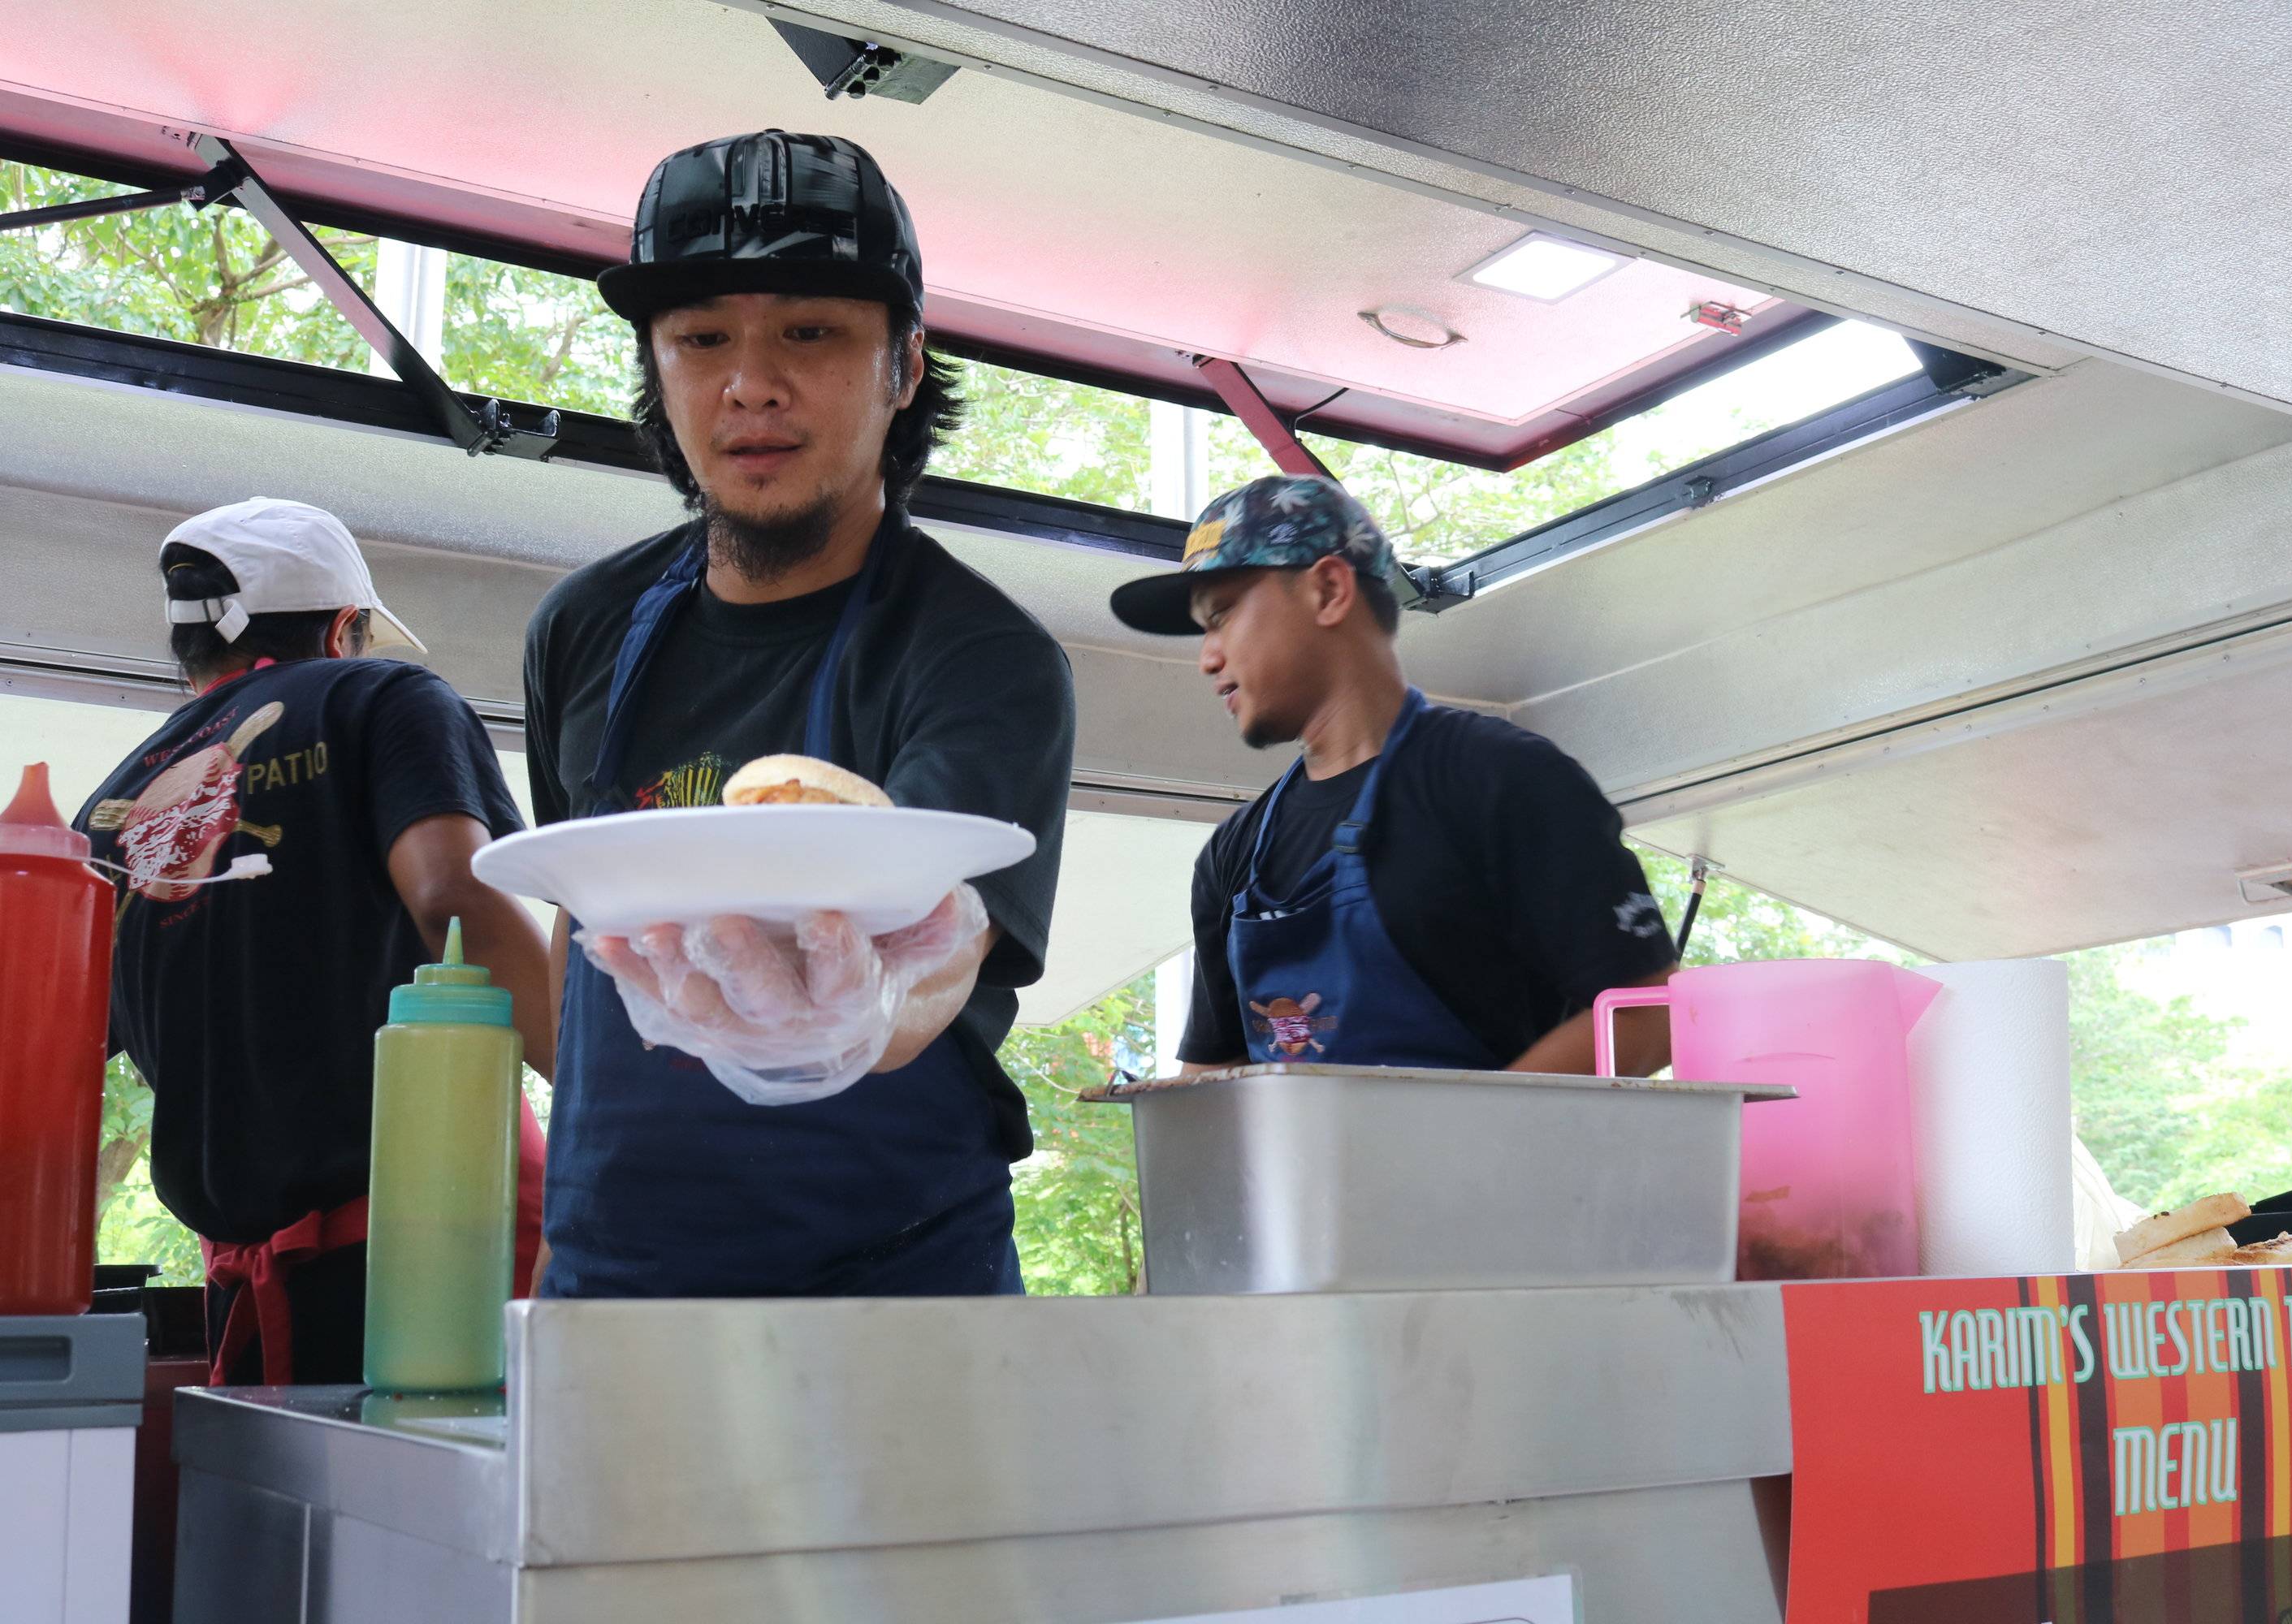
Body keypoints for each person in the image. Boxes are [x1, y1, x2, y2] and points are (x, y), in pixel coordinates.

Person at [523, 131, 1074, 1298]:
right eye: (702, 337)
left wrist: (846, 1024)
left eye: (810, 333)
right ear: (658, 369)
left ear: (905, 366)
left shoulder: (983, 657)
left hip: (891, 1302)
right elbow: (587, 933)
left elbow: (950, 944)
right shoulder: (583, 627)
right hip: (608, 1285)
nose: (750, 383)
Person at [74, 498, 551, 1386]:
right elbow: (456, 897)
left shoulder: (109, 812)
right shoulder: (381, 696)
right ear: (346, 628)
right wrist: (615, 1112)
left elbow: (70, 1053)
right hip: (450, 1252)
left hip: (252, 1283)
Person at [1109, 476, 1677, 1077]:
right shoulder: (1234, 854)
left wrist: (1453, 1155)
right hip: (1305, 1175)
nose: (1206, 657)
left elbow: (1649, 1011)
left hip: (1500, 1171)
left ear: (1328, 590)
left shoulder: (1502, 779)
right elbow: (1211, 1082)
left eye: (1221, 615)